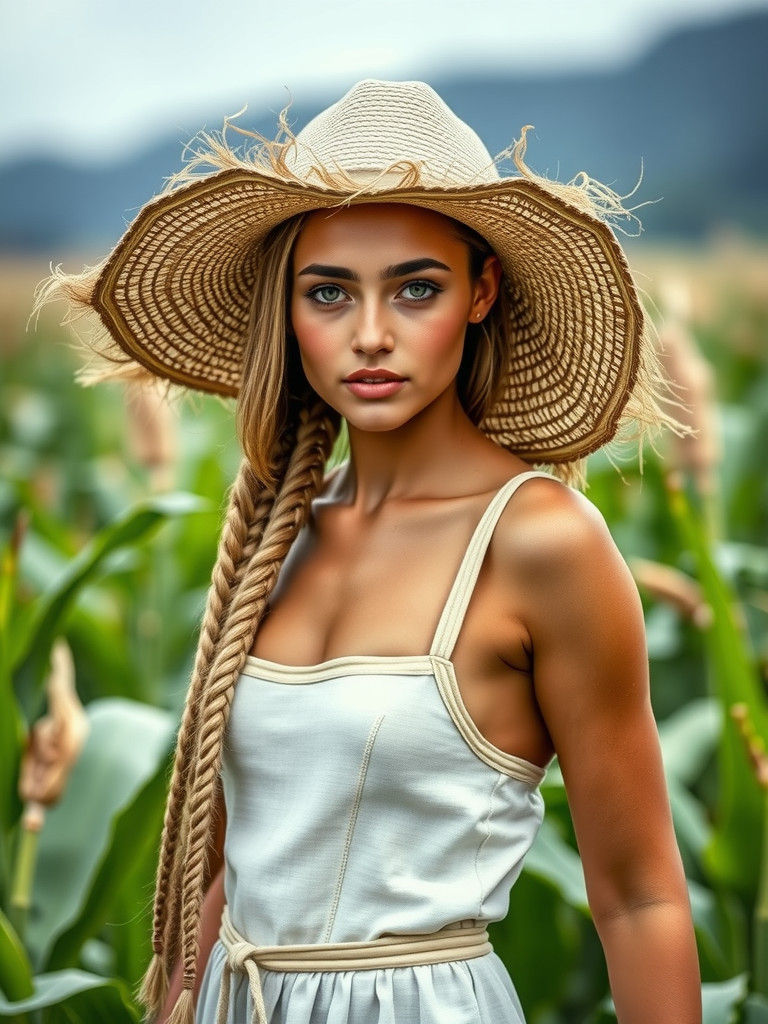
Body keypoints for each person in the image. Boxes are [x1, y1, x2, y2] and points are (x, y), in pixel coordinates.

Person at [33, 79, 702, 1024]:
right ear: (290, 307)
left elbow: (641, 900)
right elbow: (230, 870)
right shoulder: (276, 534)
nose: (372, 335)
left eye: (416, 288)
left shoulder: (540, 543)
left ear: (482, 292)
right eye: (330, 292)